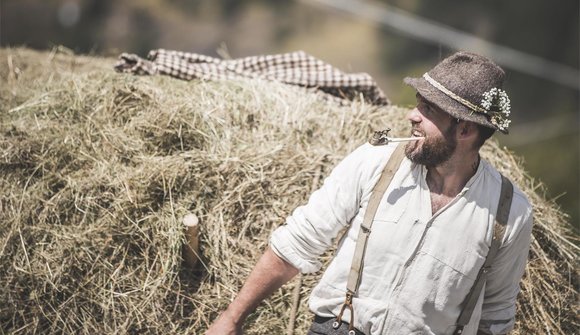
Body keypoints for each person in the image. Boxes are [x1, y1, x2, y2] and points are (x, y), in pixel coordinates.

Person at [205, 51, 533, 335]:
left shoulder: (510, 212)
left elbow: (495, 315)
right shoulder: (375, 162)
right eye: (418, 104)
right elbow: (298, 242)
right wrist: (231, 319)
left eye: (428, 110)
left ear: (464, 130)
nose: (411, 115)